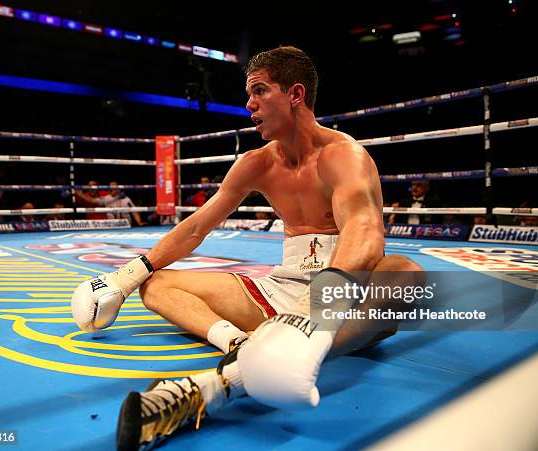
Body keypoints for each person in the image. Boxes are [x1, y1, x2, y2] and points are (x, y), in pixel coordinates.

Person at [70, 46, 422, 450]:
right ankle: (241, 345)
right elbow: (196, 228)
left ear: (295, 94)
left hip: (346, 296)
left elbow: (364, 230)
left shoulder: (344, 156)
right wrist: (124, 277)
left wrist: (314, 313)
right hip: (281, 290)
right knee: (157, 285)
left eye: (259, 91)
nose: (249, 104)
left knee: (405, 275)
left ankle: (237, 374)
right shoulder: (256, 162)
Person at [76, 181, 144, 226]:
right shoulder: (106, 198)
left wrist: (139, 222)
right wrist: (81, 195)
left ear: (118, 189)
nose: (112, 189)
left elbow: (134, 212)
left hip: (126, 225)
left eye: (114, 187)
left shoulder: (126, 199)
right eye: (111, 187)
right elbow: (93, 200)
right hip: (112, 225)